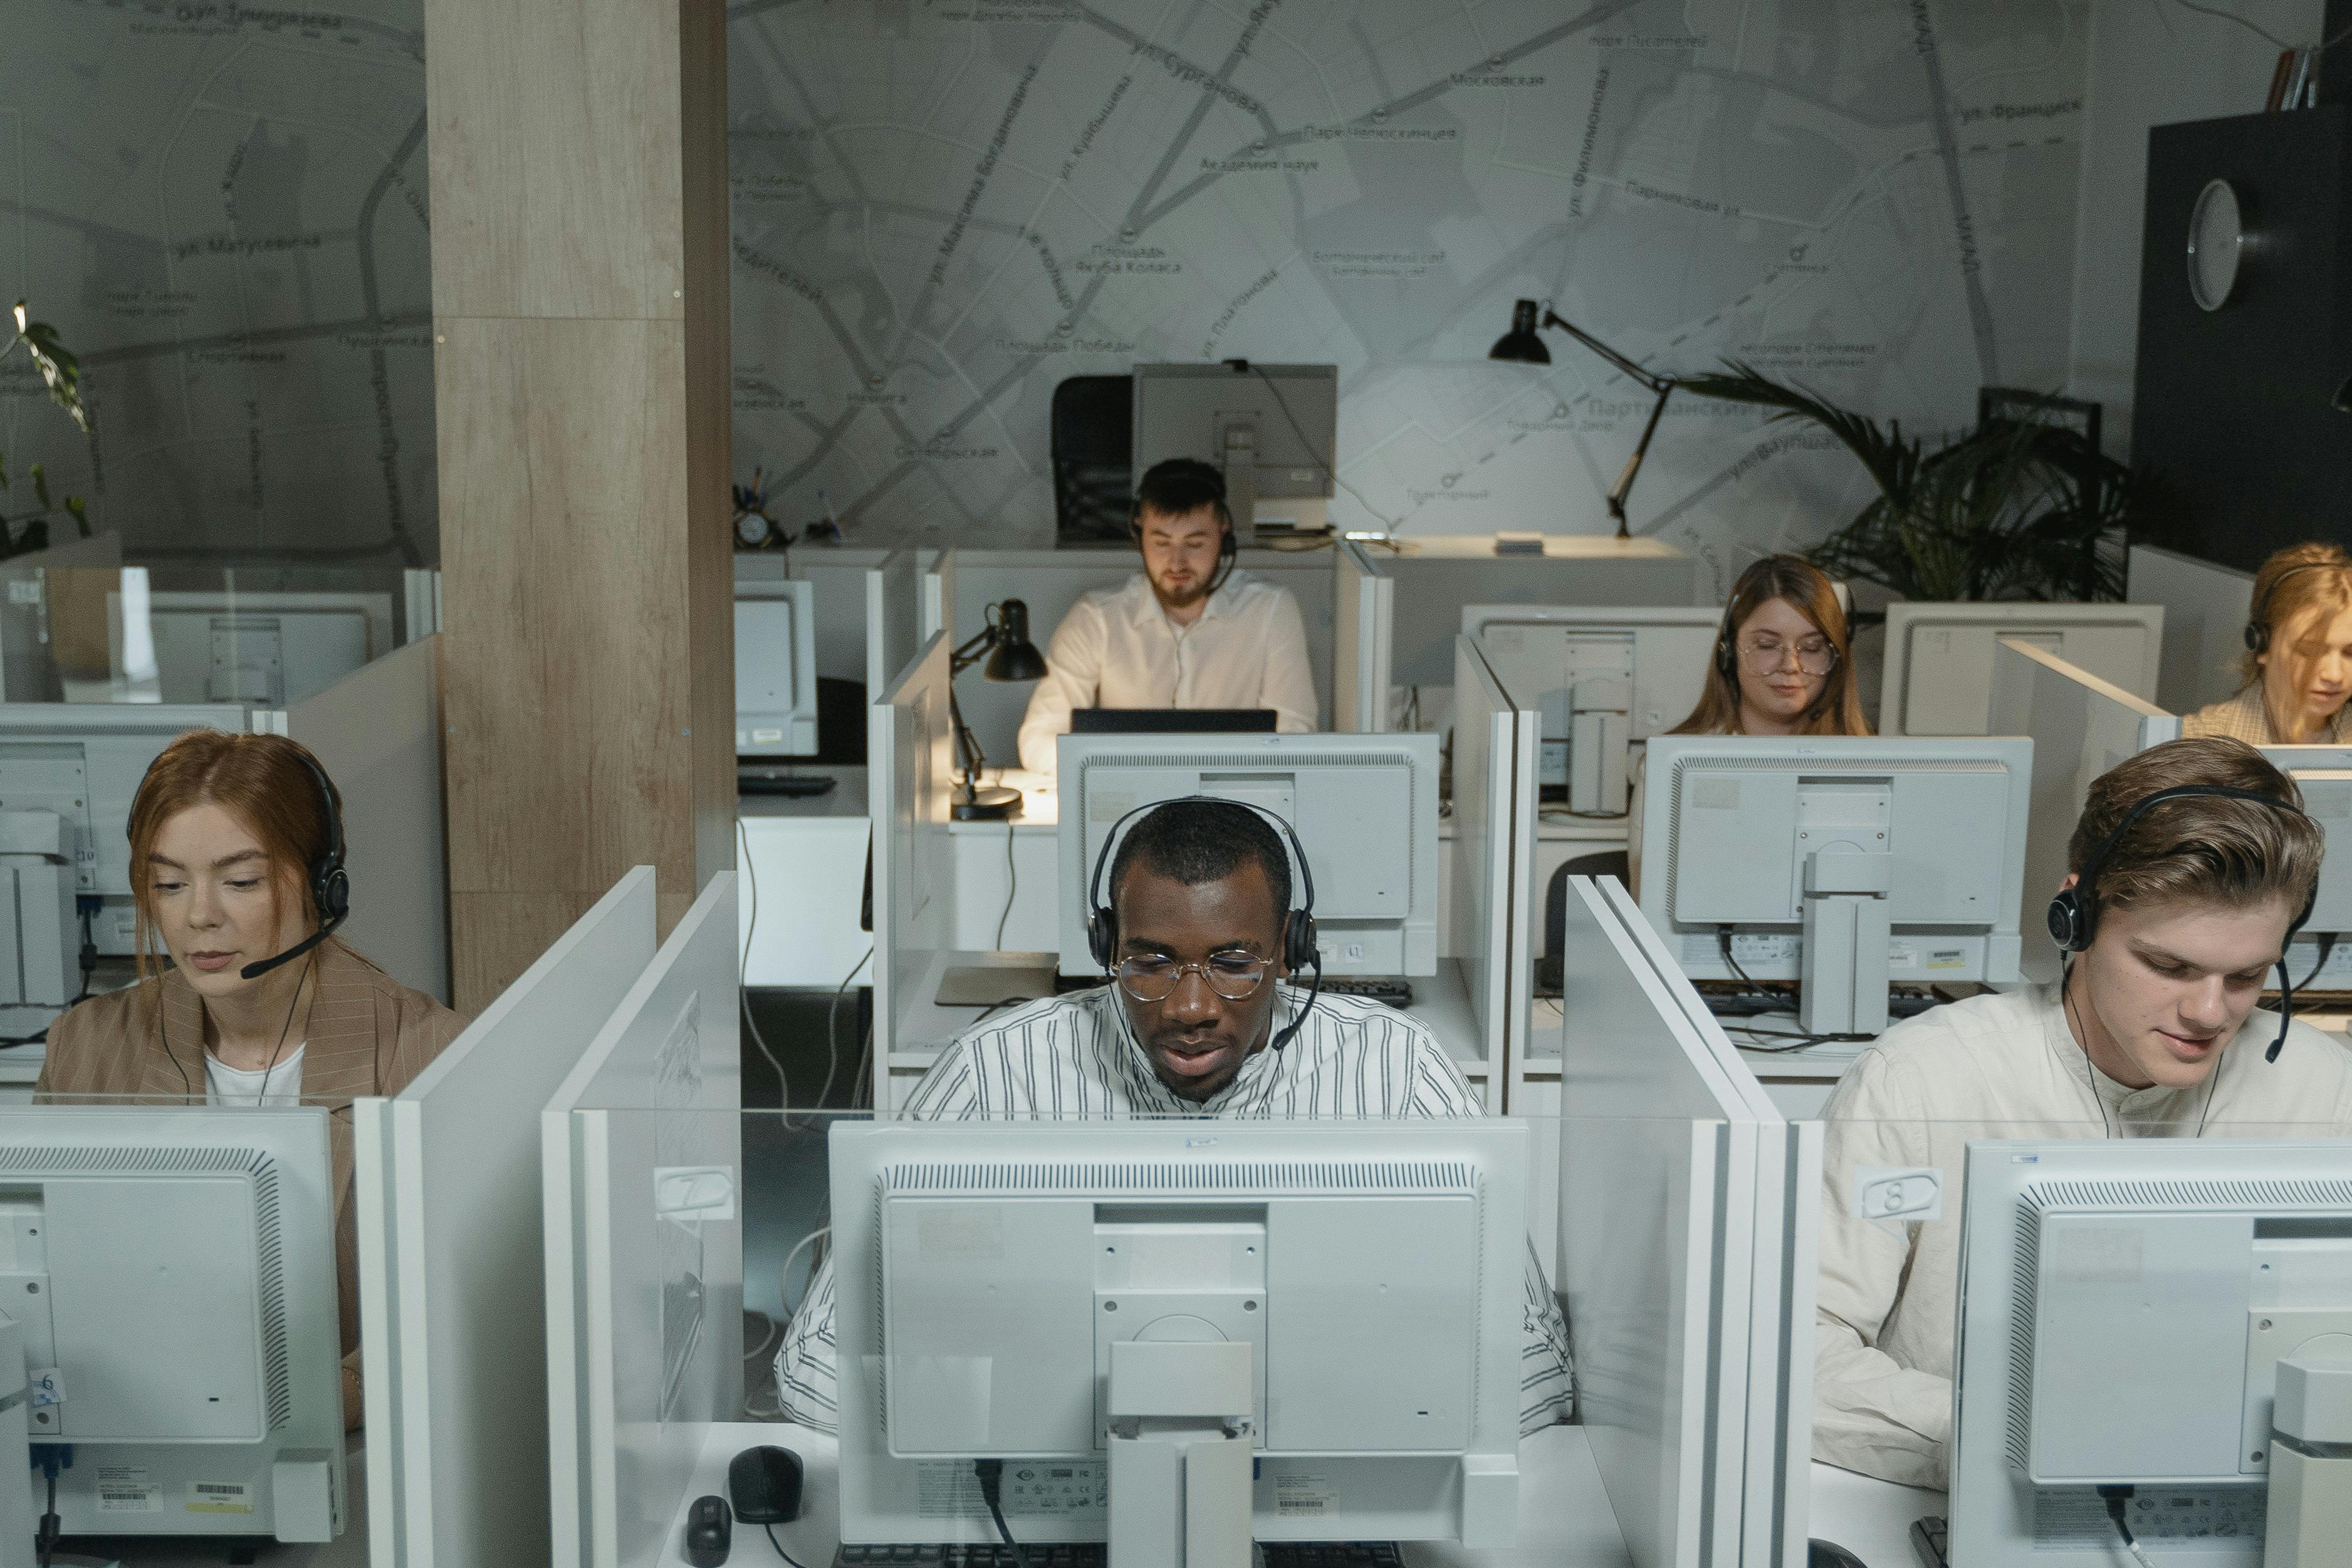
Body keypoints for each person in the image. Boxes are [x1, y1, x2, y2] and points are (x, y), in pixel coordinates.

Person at [775, 797, 1573, 1435]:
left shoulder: (1397, 1073)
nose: (1190, 1007)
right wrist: (1047, 1428)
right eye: (1150, 961)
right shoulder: (994, 1074)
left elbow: (1536, 1363)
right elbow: (815, 1361)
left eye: (1233, 963)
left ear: (1290, 952)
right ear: (1105, 946)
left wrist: (1307, 1427)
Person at [1812, 737, 2352, 1488]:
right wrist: (2007, 1436)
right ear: (2078, 916)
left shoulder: (2323, 1092)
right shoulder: (1922, 1082)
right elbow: (1802, 1349)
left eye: (2248, 976)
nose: (2206, 1012)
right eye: (2168, 966)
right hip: (1962, 1502)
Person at [36, 729, 466, 1429]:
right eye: (169, 884)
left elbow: (461, 1314)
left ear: (323, 884)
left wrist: (327, 1402)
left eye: (241, 881)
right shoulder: (86, 1051)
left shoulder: (426, 1057)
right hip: (132, 1448)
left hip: (347, 1457)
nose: (199, 915)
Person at [1017, 458, 1318, 778]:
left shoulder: (1270, 610)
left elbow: (1295, 737)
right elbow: (1038, 742)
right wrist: (1129, 772)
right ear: (1139, 536)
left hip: (1232, 806)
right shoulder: (1097, 618)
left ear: (1223, 533)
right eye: (1161, 543)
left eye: (1195, 543)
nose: (1177, 562)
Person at [1628, 554, 1869, 891]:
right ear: (1728, 653)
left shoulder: (1869, 766)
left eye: (1813, 648)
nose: (1791, 665)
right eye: (1768, 645)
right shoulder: (1671, 766)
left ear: (1836, 660)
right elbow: (1650, 902)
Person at [2182, 542, 2352, 745]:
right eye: (2310, 652)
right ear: (2262, 644)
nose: (2334, 675)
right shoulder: (2196, 744)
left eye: (2351, 653)